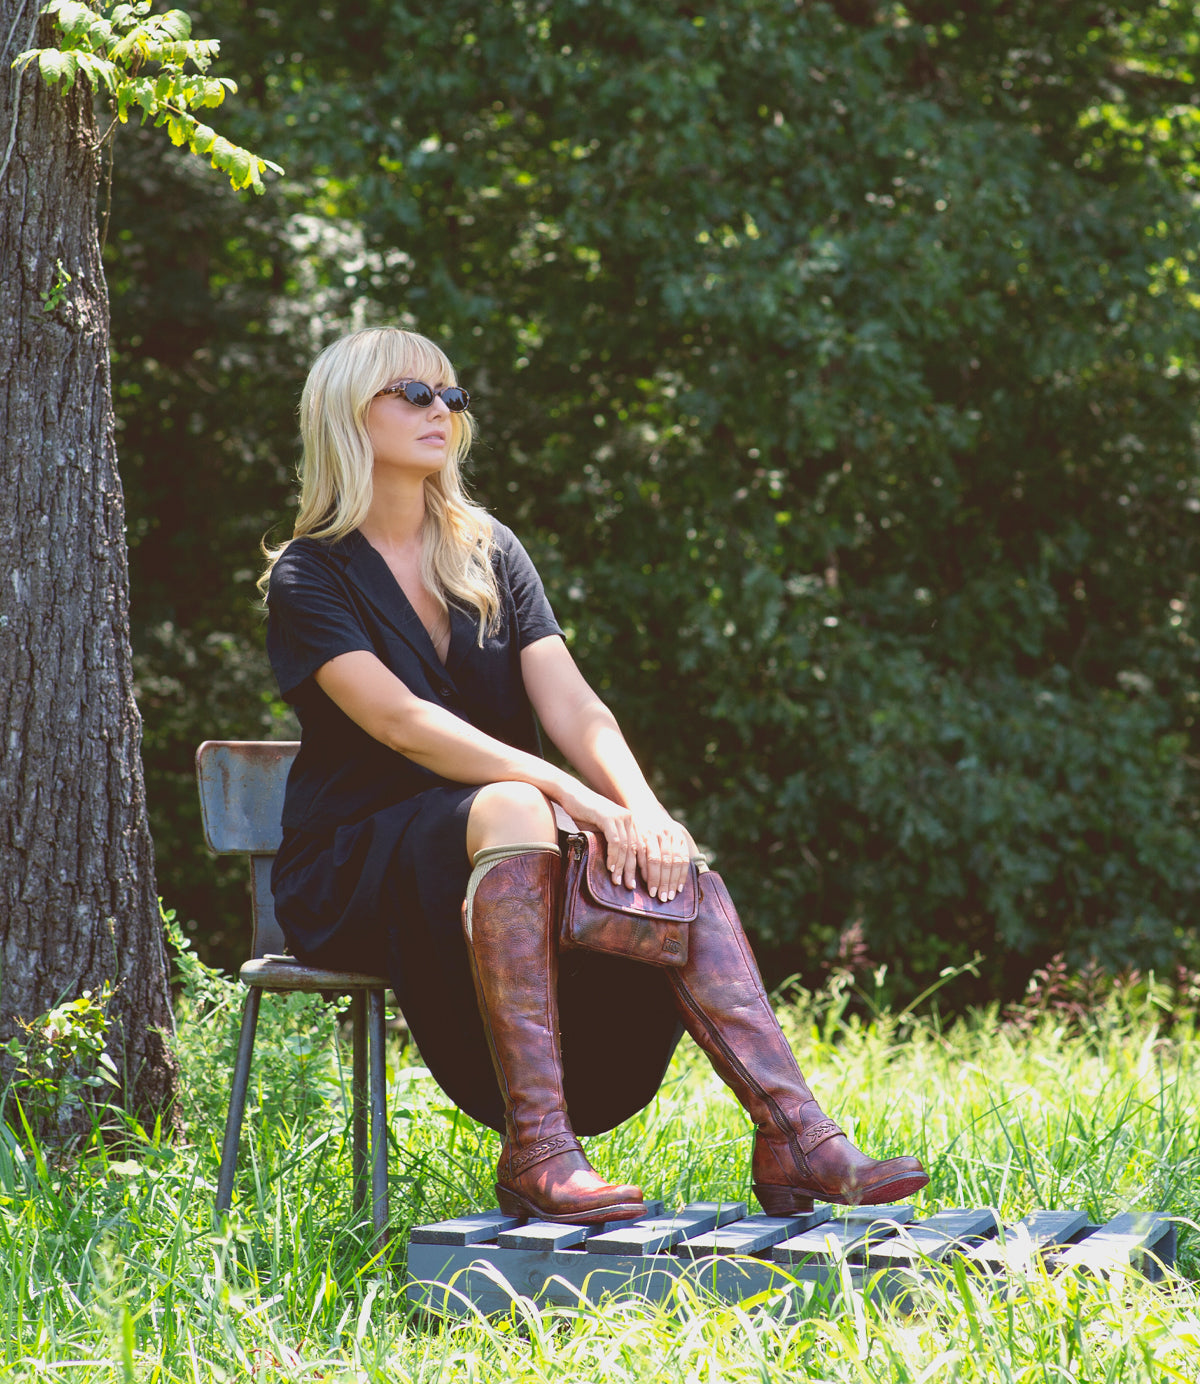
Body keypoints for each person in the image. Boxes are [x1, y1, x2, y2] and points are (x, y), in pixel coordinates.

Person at [261, 326, 928, 1226]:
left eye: (451, 397)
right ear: (348, 409)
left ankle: (794, 1132)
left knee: (665, 856)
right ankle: (537, 1149)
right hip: (356, 868)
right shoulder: (310, 573)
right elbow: (400, 724)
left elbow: (576, 706)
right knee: (514, 802)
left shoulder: (488, 549)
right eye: (413, 394)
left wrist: (647, 814)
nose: (441, 412)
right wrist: (569, 794)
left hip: (507, 841)